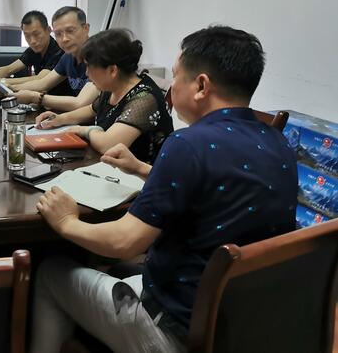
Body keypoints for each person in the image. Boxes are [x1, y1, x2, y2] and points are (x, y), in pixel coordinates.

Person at [31, 26, 298, 353]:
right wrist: (142, 168)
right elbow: (215, 190)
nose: (171, 87)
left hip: (175, 330)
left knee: (49, 272)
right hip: (243, 324)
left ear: (201, 86)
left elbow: (124, 242)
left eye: (176, 76)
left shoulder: (187, 144)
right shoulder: (279, 143)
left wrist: (66, 222)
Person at [35, 29, 173, 164]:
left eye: (89, 67)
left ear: (112, 70)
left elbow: (108, 144)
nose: (87, 73)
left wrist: (84, 130)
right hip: (107, 163)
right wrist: (59, 119)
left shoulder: (145, 99)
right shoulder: (113, 85)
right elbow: (92, 109)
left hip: (137, 174)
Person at [11, 6, 99, 112]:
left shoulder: (99, 55)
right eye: (58, 34)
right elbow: (43, 83)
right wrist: (11, 88)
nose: (64, 39)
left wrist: (34, 97)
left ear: (86, 29)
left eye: (70, 31)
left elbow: (79, 103)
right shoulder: (67, 56)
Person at [0, 10, 69, 95]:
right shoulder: (35, 49)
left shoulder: (59, 51)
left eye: (36, 34)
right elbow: (9, 69)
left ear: (48, 30)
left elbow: (40, 79)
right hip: (42, 98)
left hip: (60, 100)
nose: (32, 41)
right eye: (27, 36)